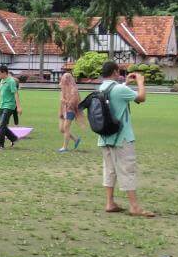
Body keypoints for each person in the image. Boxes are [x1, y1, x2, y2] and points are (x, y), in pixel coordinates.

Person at [96, 62, 154, 216]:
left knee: (109, 170)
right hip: (121, 138)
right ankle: (134, 206)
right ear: (115, 71)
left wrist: (126, 83)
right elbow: (141, 98)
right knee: (127, 169)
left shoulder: (101, 88)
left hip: (105, 136)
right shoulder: (120, 89)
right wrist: (140, 82)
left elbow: (115, 96)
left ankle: (109, 202)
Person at [57, 72, 83, 152]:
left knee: (66, 128)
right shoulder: (63, 88)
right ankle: (76, 140)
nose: (64, 80)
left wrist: (65, 101)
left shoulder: (74, 89)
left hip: (71, 110)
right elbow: (61, 101)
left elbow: (73, 102)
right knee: (62, 129)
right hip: (64, 110)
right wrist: (60, 111)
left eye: (66, 78)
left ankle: (65, 147)